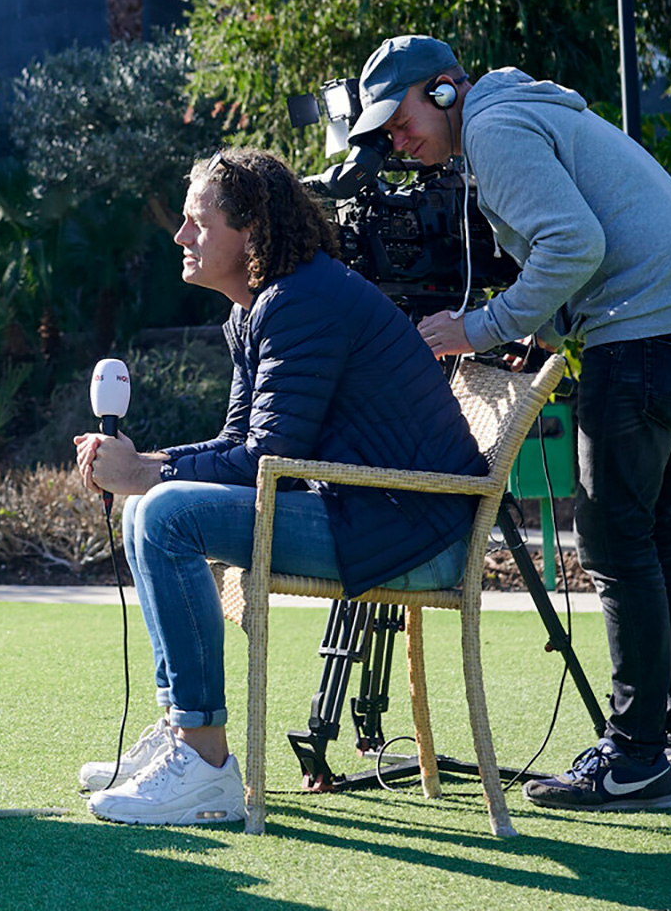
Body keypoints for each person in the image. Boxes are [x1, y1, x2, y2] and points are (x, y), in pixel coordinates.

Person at [351, 35, 671, 811]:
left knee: (612, 540)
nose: (392, 140)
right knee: (658, 533)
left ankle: (634, 759)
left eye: (396, 119)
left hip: (647, 330)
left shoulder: (493, 128)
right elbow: (585, 243)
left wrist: (479, 327)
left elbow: (574, 242)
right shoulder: (524, 110)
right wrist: (547, 319)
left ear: (441, 92)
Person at [73, 149, 487, 826]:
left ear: (253, 232)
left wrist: (146, 473)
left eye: (197, 223)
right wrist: (144, 463)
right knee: (152, 506)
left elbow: (271, 458)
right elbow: (242, 448)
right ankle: (185, 729)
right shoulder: (259, 308)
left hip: (413, 535)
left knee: (165, 511)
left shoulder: (304, 301)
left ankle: (205, 766)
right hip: (370, 512)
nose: (180, 238)